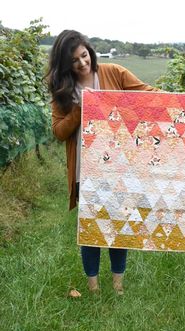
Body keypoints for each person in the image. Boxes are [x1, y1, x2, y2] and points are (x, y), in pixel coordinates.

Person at [46, 30, 160, 295]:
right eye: (74, 61)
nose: (82, 63)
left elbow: (148, 94)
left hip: (120, 167)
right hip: (85, 170)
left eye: (84, 55)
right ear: (65, 64)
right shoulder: (63, 89)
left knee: (119, 227)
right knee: (91, 229)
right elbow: (59, 132)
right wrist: (79, 110)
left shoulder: (114, 72)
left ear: (90, 51)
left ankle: (118, 287)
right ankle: (94, 289)